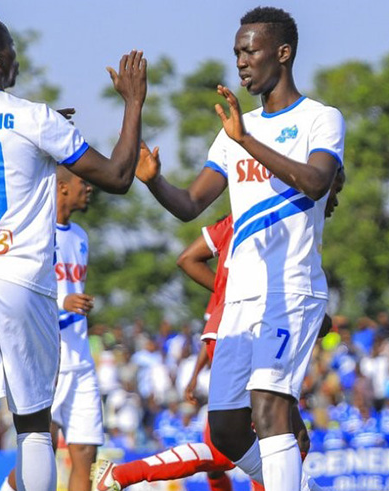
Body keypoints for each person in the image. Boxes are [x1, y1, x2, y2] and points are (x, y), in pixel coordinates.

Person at [0, 7, 147, 491]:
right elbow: (120, 177)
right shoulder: (34, 117)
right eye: (12, 51)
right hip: (16, 275)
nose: (16, 59)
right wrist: (132, 102)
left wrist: (37, 138)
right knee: (34, 423)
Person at [131, 7, 344, 489]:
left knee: (270, 407)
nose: (242, 62)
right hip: (239, 302)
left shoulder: (320, 118)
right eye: (237, 53)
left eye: (250, 51)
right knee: (227, 430)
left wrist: (247, 140)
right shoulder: (232, 130)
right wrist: (154, 181)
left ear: (283, 53)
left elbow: (315, 182)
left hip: (291, 290)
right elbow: (189, 205)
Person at [94, 164, 346, 491]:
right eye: (333, 189)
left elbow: (188, 258)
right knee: (263, 438)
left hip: (228, 328)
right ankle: (120, 475)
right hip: (249, 326)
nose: (334, 200)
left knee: (249, 441)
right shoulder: (284, 224)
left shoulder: (240, 220)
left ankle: (120, 476)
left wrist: (227, 298)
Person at [1, 168, 102, 491]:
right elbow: (19, 290)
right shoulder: (35, 233)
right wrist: (63, 300)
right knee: (41, 452)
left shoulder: (82, 236)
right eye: (83, 182)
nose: (89, 188)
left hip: (81, 358)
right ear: (61, 188)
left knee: (85, 452)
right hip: (46, 358)